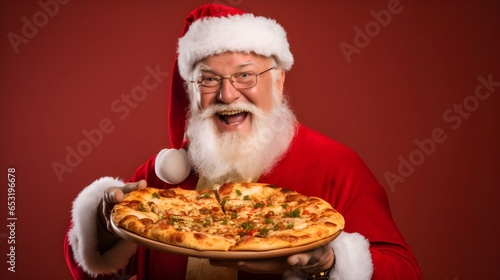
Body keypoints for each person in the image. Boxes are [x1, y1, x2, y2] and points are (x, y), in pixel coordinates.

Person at [64, 4, 422, 280]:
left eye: (245, 75)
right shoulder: (161, 186)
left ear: (279, 81)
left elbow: (404, 272)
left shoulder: (336, 166)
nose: (227, 93)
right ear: (191, 92)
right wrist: (104, 227)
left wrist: (329, 262)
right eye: (207, 80)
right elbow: (98, 272)